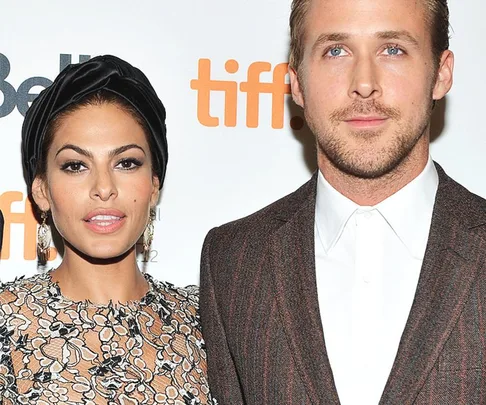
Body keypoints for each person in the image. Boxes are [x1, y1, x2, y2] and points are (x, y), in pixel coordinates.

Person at [200, 0, 485, 404]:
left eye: (393, 49)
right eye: (336, 51)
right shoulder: (233, 260)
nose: (364, 83)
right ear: (296, 82)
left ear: (441, 73)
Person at [0, 55, 215, 404]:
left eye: (126, 163)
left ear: (153, 186)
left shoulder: (206, 321)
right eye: (75, 165)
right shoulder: (5, 323)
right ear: (41, 191)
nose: (104, 187)